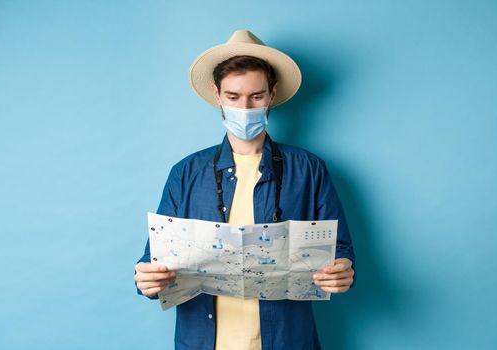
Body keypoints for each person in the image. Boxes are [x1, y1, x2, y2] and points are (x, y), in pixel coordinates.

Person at [134, 29, 356, 350]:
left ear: (272, 94)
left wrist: (342, 270)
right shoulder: (185, 173)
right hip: (201, 341)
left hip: (288, 341)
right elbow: (152, 262)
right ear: (217, 95)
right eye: (233, 97)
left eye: (256, 96)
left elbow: (342, 251)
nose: (245, 107)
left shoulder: (309, 169)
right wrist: (148, 280)